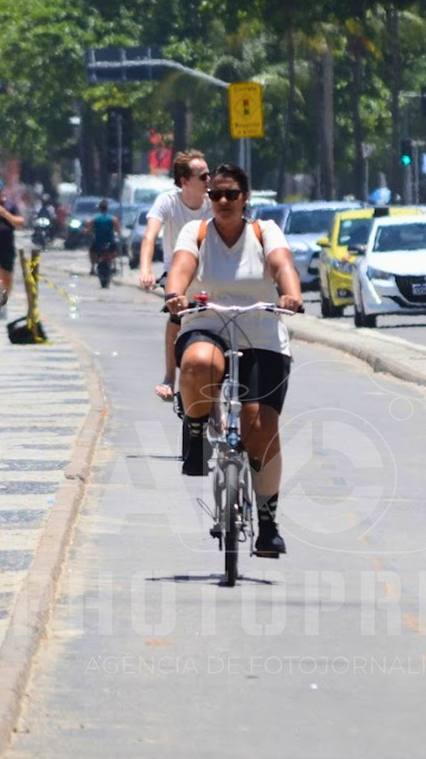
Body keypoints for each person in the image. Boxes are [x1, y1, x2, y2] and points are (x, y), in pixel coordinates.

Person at [164, 163, 303, 557]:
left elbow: (282, 265)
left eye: (231, 195)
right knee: (198, 365)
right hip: (207, 322)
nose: (223, 201)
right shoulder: (198, 232)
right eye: (216, 195)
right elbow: (181, 268)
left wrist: (290, 294)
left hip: (261, 329)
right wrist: (175, 294)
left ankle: (268, 523)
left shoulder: (265, 231)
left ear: (246, 198)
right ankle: (194, 430)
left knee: (260, 427)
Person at [140, 150, 212, 401]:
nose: (209, 180)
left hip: (208, 273)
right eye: (203, 176)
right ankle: (169, 376)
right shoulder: (167, 202)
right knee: (176, 317)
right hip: (177, 272)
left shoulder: (214, 205)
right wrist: (146, 270)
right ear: (184, 181)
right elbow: (149, 237)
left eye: (209, 174)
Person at [85, 199, 120, 270]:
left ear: (99, 208)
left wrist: (86, 232)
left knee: (92, 252)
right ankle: (114, 266)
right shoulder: (113, 219)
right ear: (107, 209)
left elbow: (89, 231)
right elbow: (118, 231)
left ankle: (92, 268)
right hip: (110, 241)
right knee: (113, 252)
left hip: (98, 242)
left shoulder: (94, 218)